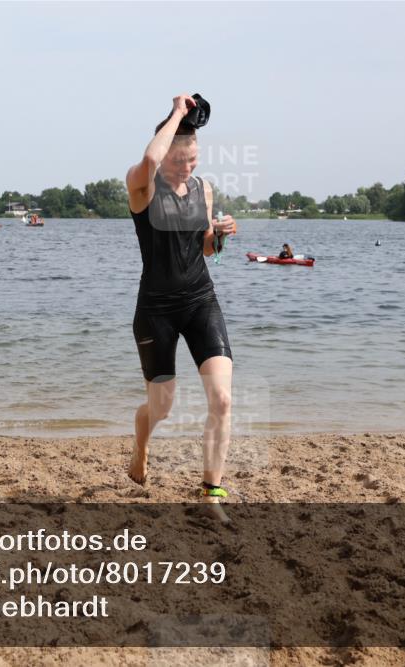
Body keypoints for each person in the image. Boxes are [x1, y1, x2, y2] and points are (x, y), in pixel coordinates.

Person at [125, 93, 237, 503]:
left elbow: (205, 248)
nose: (188, 167)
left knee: (222, 399)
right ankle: (140, 448)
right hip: (156, 310)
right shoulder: (141, 186)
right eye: (180, 161)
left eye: (193, 160)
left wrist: (219, 235)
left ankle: (212, 489)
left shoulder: (202, 190)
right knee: (161, 407)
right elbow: (150, 159)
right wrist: (175, 113)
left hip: (200, 301)